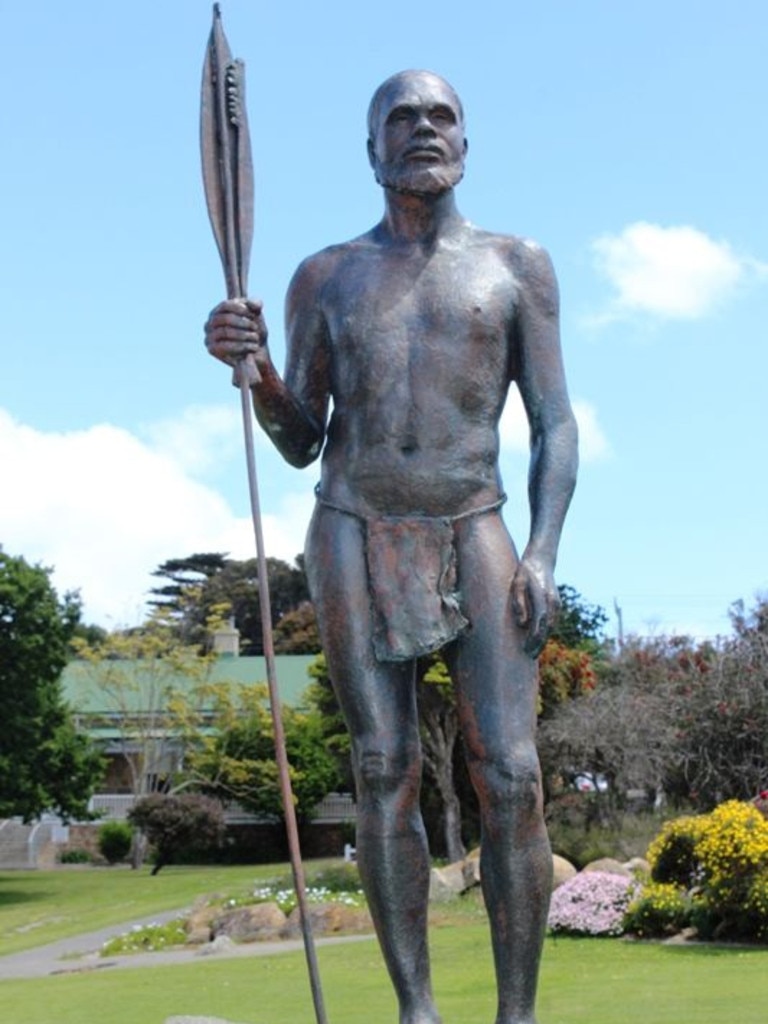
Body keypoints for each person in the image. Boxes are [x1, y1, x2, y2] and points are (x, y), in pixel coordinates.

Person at [206, 69, 578, 1024]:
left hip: (475, 521)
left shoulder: (517, 264)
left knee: (513, 773)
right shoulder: (325, 277)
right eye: (401, 119)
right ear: (372, 150)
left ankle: (517, 1013)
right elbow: (301, 441)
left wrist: (540, 550)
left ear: (466, 144)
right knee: (384, 767)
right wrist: (256, 374)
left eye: (441, 116)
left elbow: (556, 425)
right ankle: (415, 1009)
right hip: (352, 527)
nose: (423, 130)